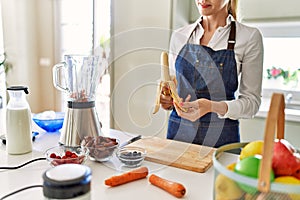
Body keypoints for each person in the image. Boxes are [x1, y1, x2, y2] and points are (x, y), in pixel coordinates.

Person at [160, 0, 263, 148]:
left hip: (221, 140)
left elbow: (252, 103)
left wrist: (211, 106)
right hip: (178, 138)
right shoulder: (179, 36)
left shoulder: (248, 37)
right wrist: (168, 101)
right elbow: (174, 92)